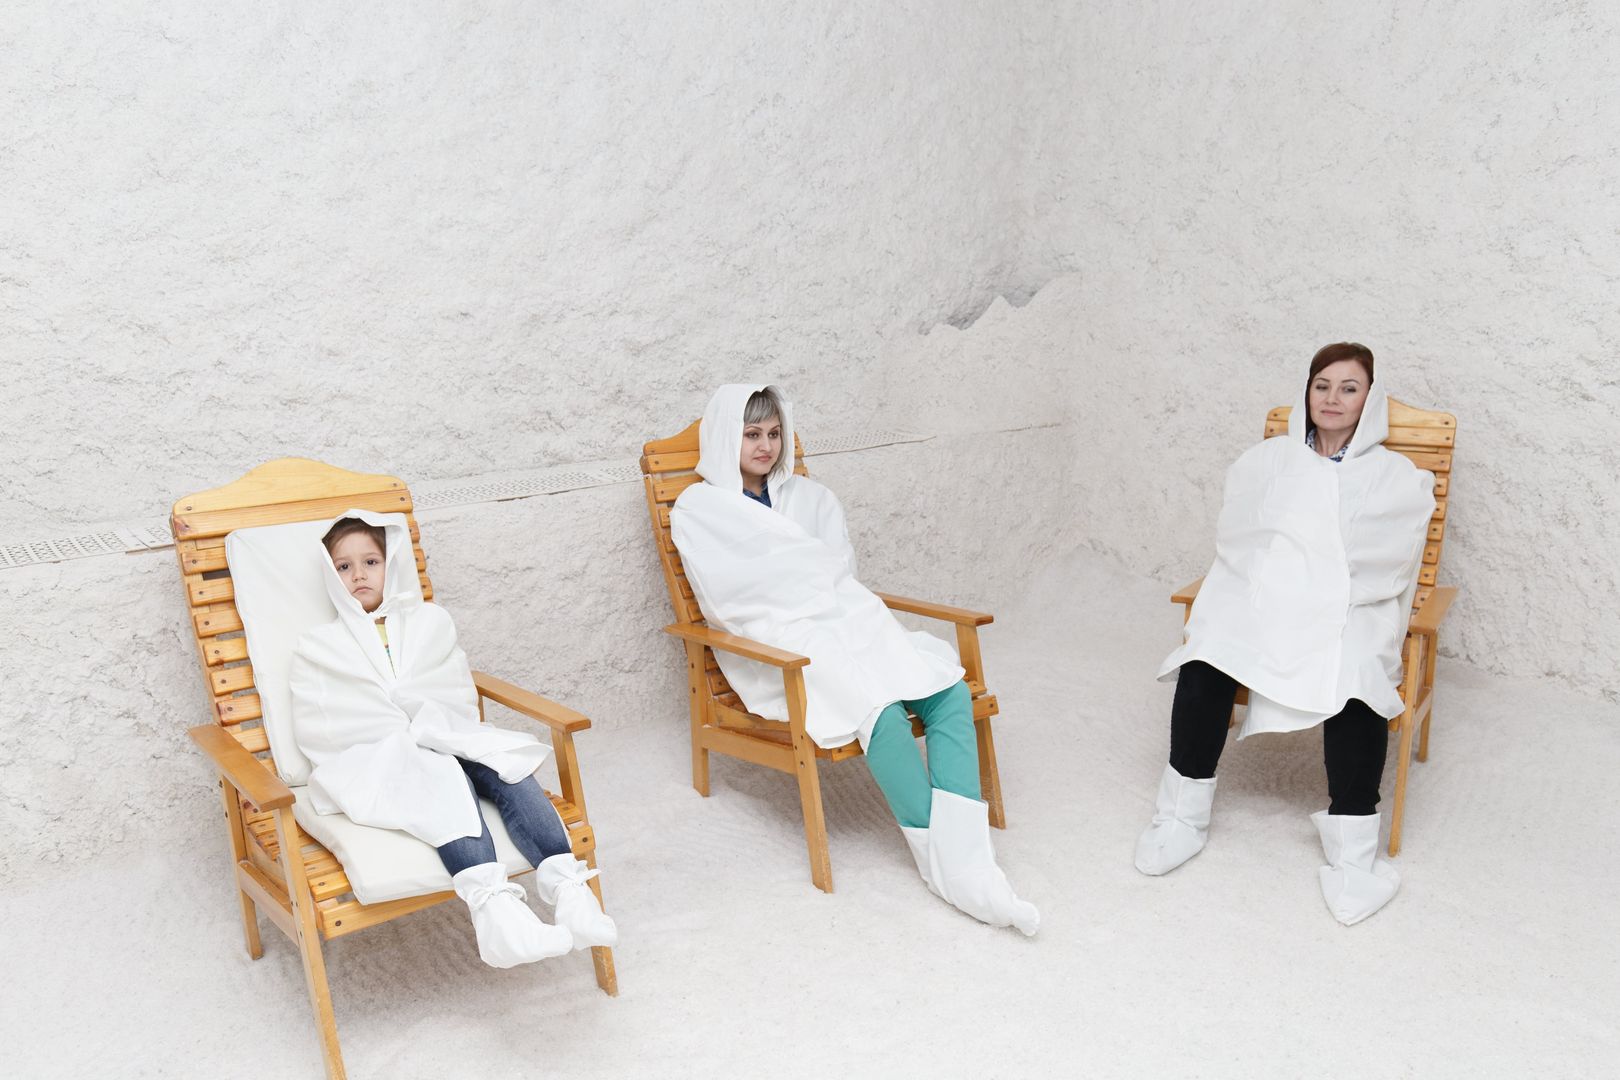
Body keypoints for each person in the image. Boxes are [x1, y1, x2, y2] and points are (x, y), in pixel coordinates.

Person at [670, 384, 1038, 935]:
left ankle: (966, 859)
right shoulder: (700, 509)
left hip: (848, 616)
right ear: (726, 437)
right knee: (879, 711)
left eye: (774, 434)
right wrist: (801, 583)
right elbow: (728, 598)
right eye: (751, 435)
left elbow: (839, 572)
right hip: (781, 638)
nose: (766, 446)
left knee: (945, 689)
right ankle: (947, 867)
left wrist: (815, 585)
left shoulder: (811, 498)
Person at [1135, 343, 1436, 925]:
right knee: (1208, 657)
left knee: (1355, 680)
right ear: (1308, 392)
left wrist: (1318, 583)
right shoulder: (1267, 461)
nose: (1333, 398)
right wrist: (1280, 584)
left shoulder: (1395, 476)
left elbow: (1389, 560)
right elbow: (1242, 541)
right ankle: (1180, 817)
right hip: (1263, 596)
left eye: (1349, 388)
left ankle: (1353, 854)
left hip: (1348, 606)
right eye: (1322, 385)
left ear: (1369, 400)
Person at [289, 510, 617, 966]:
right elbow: (323, 719)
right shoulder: (320, 645)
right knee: (444, 783)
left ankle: (570, 894)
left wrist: (428, 718)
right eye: (344, 566)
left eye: (370, 562)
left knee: (508, 768)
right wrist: (396, 723)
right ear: (331, 575)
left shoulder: (428, 622)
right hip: (380, 751)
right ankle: (497, 916)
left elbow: (448, 684)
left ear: (390, 564)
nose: (359, 574)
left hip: (444, 729)